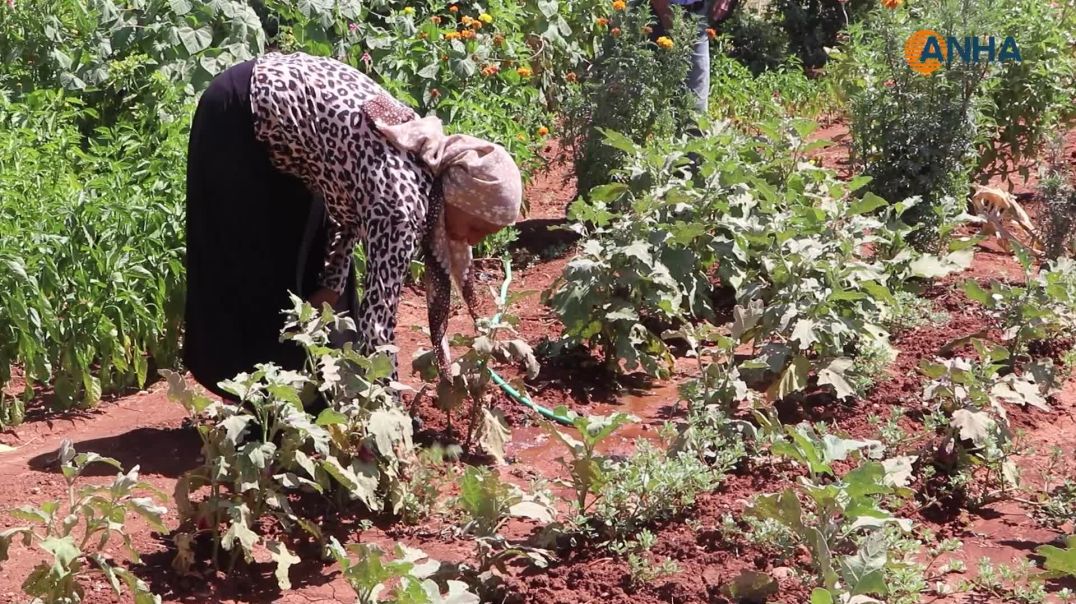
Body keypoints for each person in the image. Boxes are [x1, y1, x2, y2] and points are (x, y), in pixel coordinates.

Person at [182, 51, 522, 403]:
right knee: (258, 272)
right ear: (460, 197)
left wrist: (331, 284)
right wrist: (388, 415)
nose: (471, 240)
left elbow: (351, 205)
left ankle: (311, 397)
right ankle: (251, 402)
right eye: (478, 228)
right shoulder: (403, 206)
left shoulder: (425, 169)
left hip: (291, 129)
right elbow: (380, 322)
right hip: (240, 114)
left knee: (319, 283)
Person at [648, 0, 740, 117]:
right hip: (657, 15)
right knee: (648, 95)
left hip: (697, 15)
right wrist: (666, 15)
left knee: (696, 105)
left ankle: (694, 131)